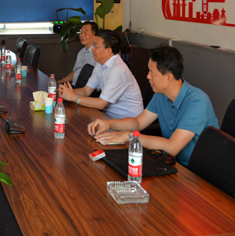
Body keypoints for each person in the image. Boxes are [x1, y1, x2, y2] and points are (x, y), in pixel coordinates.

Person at [87, 45, 219, 166]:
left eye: (152, 72)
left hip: (198, 172)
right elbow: (138, 123)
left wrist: (129, 136)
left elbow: (172, 147)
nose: (147, 76)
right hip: (171, 162)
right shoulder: (161, 94)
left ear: (169, 77)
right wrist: (109, 124)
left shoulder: (197, 102)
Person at [58, 29, 143, 119]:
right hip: (107, 116)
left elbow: (101, 104)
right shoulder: (100, 64)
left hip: (126, 120)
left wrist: (73, 97)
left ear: (108, 51)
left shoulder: (117, 70)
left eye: (96, 45)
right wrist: (65, 92)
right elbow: (86, 91)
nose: (92, 49)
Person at [57, 21, 98, 87]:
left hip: (87, 90)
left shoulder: (97, 53)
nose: (81, 35)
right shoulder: (81, 52)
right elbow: (75, 72)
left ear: (95, 35)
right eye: (81, 33)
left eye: (85, 33)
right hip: (75, 86)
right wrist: (59, 82)